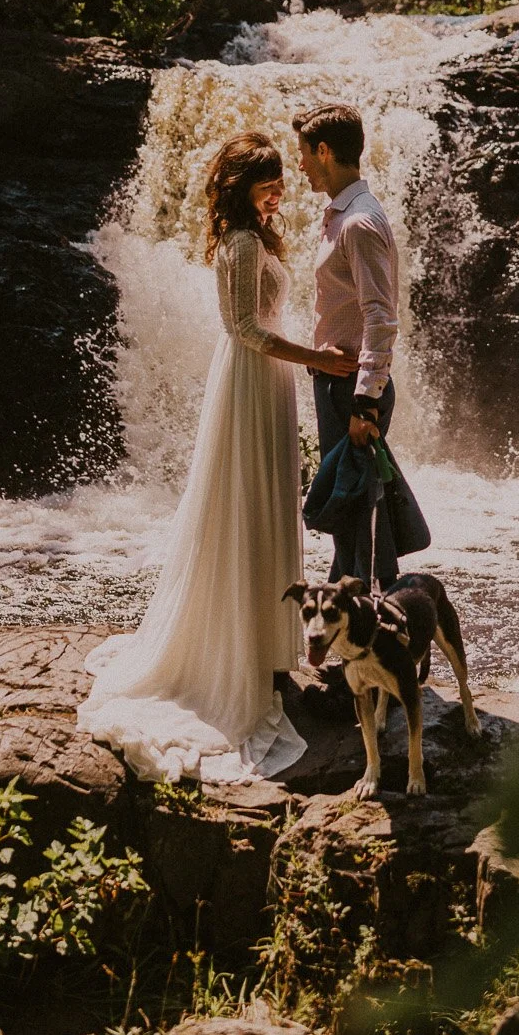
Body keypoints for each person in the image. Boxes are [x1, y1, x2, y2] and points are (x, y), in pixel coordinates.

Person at [77, 131, 356, 783]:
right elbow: (246, 332)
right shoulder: (235, 244)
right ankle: (235, 647)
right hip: (248, 382)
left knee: (264, 502)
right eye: (267, 184)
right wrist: (315, 358)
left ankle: (262, 642)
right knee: (243, 501)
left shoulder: (258, 236)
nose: (278, 193)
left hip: (269, 384)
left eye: (279, 183)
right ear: (240, 187)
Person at [294, 101, 402, 586]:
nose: (298, 166)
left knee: (357, 524)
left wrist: (364, 401)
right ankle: (351, 638)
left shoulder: (357, 222)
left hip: (350, 392)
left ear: (323, 151)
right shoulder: (344, 215)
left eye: (303, 154)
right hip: (338, 386)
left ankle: (379, 633)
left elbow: (381, 316)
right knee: (350, 517)